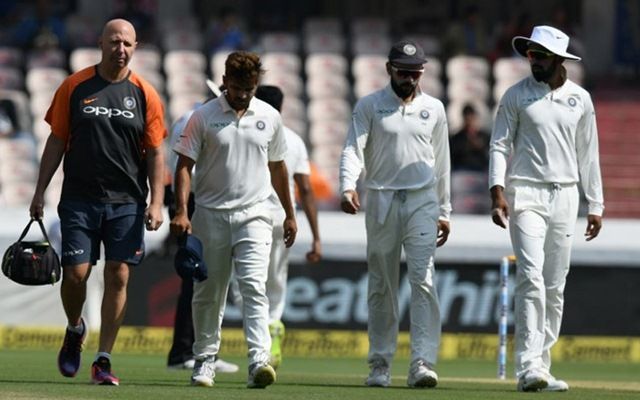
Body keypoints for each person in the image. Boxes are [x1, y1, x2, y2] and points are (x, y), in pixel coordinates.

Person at [28, 19, 166, 386]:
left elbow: (155, 152)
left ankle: (103, 360)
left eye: (128, 44)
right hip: (79, 198)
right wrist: (39, 190)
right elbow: (56, 140)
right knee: (76, 275)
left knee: (118, 274)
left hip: (127, 202)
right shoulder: (75, 86)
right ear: (101, 44)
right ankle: (75, 329)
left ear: (136, 48)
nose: (121, 49)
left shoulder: (145, 94)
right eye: (114, 42)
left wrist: (157, 202)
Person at [170, 51, 297, 389]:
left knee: (255, 286)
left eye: (249, 88)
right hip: (210, 215)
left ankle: (259, 360)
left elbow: (278, 167)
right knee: (208, 291)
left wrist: (289, 214)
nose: (243, 95)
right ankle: (205, 360)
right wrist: (181, 211)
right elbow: (183, 167)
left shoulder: (269, 116)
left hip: (254, 214)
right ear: (225, 81)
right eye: (238, 87)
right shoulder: (203, 116)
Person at [488, 25, 604, 392]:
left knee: (555, 286)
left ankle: (543, 365)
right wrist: (497, 189)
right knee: (532, 277)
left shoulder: (580, 99)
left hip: (567, 195)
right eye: (531, 54)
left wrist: (595, 204)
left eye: (540, 55)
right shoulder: (516, 95)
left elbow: (589, 154)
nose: (533, 61)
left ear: (558, 60)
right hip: (526, 194)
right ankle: (528, 367)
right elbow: (498, 145)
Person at [339, 39, 451, 389]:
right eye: (403, 72)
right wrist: (347, 185)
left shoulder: (433, 108)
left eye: (416, 73)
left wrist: (444, 210)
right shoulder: (370, 105)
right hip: (382, 200)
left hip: (422, 200)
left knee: (423, 280)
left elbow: (442, 162)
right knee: (381, 284)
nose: (410, 79)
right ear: (389, 70)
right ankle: (380, 364)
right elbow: (352, 148)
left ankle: (422, 362)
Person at [164, 88, 239, 374]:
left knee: (203, 278)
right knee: (197, 277)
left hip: (193, 199)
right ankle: (187, 351)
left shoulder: (193, 117)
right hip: (194, 200)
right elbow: (188, 169)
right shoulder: (197, 119)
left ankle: (197, 349)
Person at [253, 85, 321, 369]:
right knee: (275, 280)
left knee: (249, 281)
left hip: (252, 215)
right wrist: (317, 237)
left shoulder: (250, 129)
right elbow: (305, 189)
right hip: (282, 217)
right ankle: (273, 325)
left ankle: (259, 343)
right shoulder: (294, 140)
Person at [450, 103, 490, 172]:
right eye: (467, 118)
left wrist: (480, 146)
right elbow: (454, 158)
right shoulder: (456, 138)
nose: (470, 121)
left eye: (472, 117)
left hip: (480, 173)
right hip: (462, 172)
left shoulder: (484, 136)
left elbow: (488, 156)